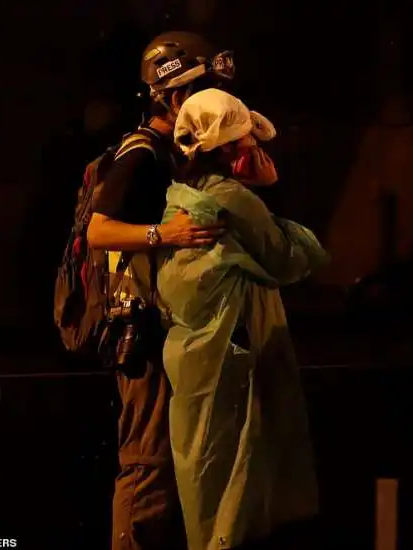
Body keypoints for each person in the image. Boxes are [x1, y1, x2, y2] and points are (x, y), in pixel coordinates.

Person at [157, 88, 328, 550]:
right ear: (232, 149)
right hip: (229, 353)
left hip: (196, 352)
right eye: (250, 141)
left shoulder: (184, 194)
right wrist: (270, 194)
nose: (259, 150)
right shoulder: (234, 199)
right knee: (239, 478)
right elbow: (289, 259)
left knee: (207, 475)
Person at [86, 31, 234, 550]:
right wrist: (163, 235)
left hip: (169, 328)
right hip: (142, 334)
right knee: (146, 463)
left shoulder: (174, 153)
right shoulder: (142, 154)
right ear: (175, 96)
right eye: (204, 91)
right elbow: (98, 229)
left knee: (173, 464)